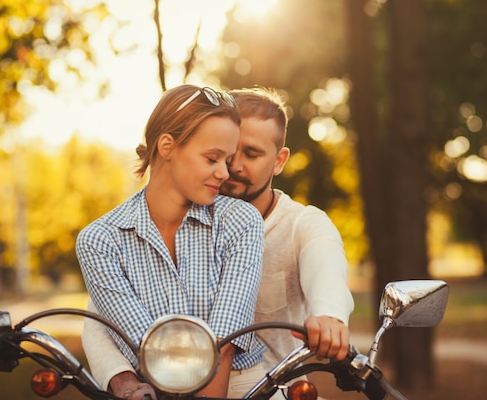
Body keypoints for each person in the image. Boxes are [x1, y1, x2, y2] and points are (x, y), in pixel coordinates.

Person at [82, 87, 354, 398]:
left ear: (279, 161)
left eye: (249, 154)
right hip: (167, 381)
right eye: (221, 154)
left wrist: (329, 316)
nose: (230, 169)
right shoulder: (117, 233)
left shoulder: (299, 224)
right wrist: (123, 380)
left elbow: (327, 272)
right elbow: (101, 319)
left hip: (275, 382)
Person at [76, 84, 266, 400]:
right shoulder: (99, 241)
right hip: (155, 389)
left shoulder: (240, 221)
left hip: (240, 385)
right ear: (167, 146)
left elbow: (225, 339)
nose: (224, 173)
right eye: (212, 158)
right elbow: (148, 346)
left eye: (227, 160)